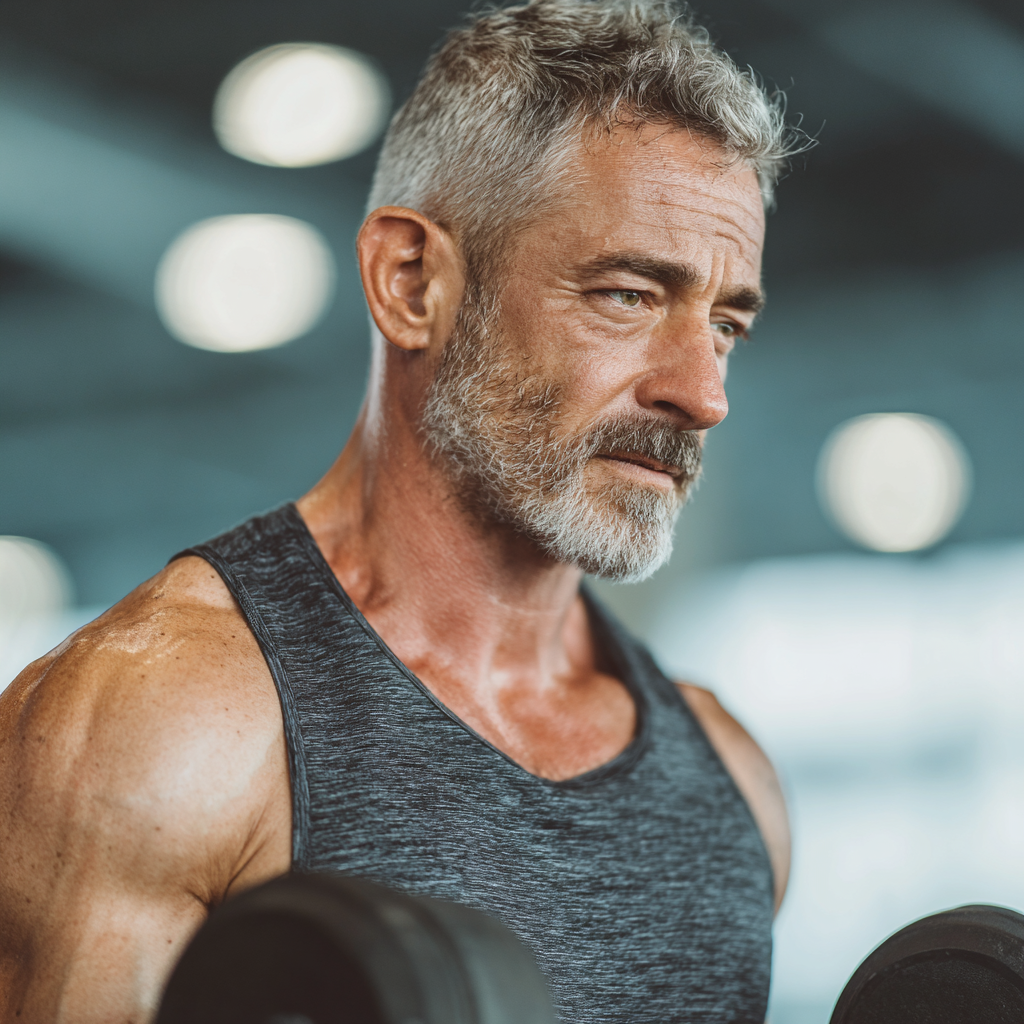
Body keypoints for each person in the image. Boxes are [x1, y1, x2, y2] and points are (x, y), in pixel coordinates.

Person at [0, 1, 801, 1020]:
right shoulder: (162, 725)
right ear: (412, 281)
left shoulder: (733, 788)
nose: (703, 392)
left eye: (726, 322)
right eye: (628, 295)